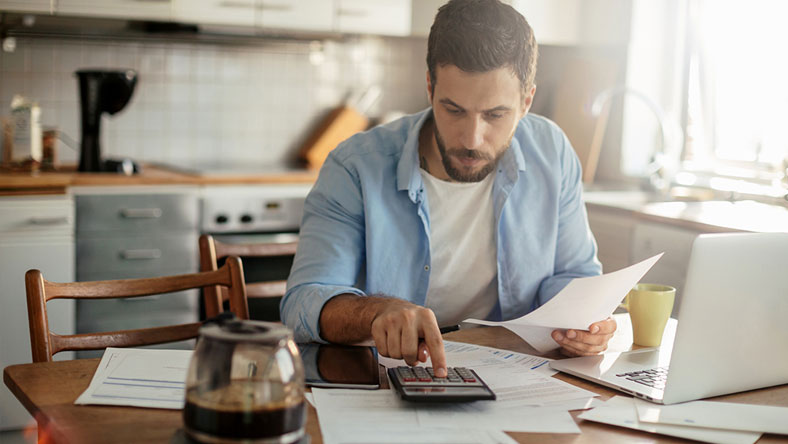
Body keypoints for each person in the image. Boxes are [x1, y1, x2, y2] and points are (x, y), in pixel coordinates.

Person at [281, 0, 616, 378]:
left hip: (510, 375)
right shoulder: (356, 166)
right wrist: (379, 312)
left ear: (526, 102)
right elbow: (303, 303)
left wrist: (584, 323)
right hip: (382, 380)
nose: (472, 139)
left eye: (495, 115)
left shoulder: (552, 152)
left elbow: (574, 274)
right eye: (454, 110)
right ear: (429, 87)